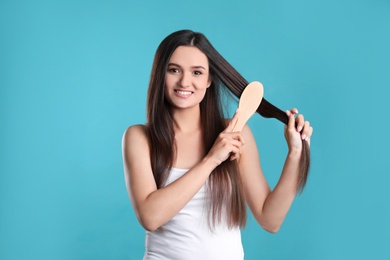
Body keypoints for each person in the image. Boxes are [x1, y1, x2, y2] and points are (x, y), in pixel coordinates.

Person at [122, 30, 313, 259]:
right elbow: (150, 217)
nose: (185, 82)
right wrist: (211, 159)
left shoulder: (236, 133)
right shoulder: (140, 137)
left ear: (209, 79)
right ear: (159, 74)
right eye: (174, 70)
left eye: (197, 72)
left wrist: (295, 153)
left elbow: (270, 220)